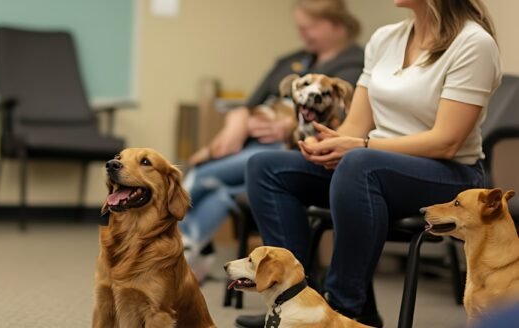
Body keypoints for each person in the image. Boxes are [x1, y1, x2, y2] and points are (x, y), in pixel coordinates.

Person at [242, 0, 500, 326]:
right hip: (371, 168)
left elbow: (447, 141)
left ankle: (346, 309)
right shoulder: (385, 38)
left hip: (448, 175)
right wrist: (329, 145)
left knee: (359, 164)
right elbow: (356, 125)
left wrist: (361, 146)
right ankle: (292, 301)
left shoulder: (474, 43)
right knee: (265, 167)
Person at [180, 0, 364, 281]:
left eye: (309, 27)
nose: (303, 34)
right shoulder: (293, 60)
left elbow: (341, 116)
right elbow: (248, 103)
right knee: (223, 191)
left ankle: (173, 252)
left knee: (206, 175)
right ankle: (187, 258)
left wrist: (287, 125)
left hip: (289, 150)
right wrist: (237, 121)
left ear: (336, 24)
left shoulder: (354, 65)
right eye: (300, 28)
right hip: (254, 146)